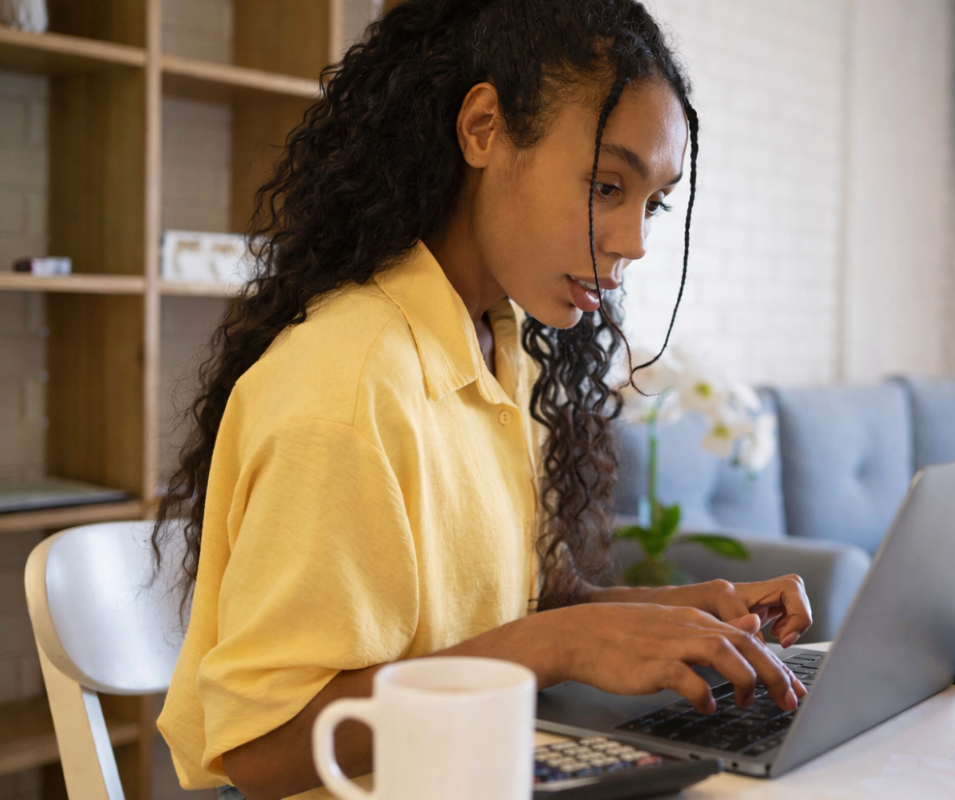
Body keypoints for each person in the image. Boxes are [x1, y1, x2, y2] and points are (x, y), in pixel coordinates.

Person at [153, 2, 812, 799]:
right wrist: (557, 643)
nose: (636, 241)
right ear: (483, 129)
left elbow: (502, 614)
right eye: (607, 184)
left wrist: (680, 616)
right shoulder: (350, 384)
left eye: (653, 202)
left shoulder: (495, 343)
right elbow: (262, 751)